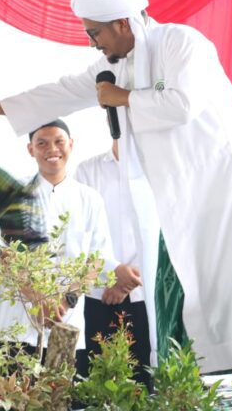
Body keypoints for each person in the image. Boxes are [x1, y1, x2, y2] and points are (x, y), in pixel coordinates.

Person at [0, 0, 232, 372]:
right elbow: (61, 92)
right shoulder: (115, 66)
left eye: (95, 33)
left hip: (223, 183)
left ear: (121, 23)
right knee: (199, 290)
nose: (92, 43)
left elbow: (183, 104)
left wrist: (121, 97)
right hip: (180, 192)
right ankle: (213, 374)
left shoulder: (180, 42)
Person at [0, 119, 141, 377]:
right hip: (14, 325)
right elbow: (4, 254)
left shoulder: (89, 199)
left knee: (57, 393)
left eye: (59, 141)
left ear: (71, 145)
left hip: (65, 326)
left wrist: (66, 300)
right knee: (8, 393)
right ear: (30, 149)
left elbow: (96, 260)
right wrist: (39, 300)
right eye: (42, 143)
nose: (52, 149)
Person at [75, 138, 157, 385]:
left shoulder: (157, 169)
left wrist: (127, 282)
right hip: (99, 293)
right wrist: (112, 273)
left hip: (144, 294)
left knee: (142, 380)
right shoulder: (88, 170)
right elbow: (81, 233)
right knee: (95, 380)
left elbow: (165, 232)